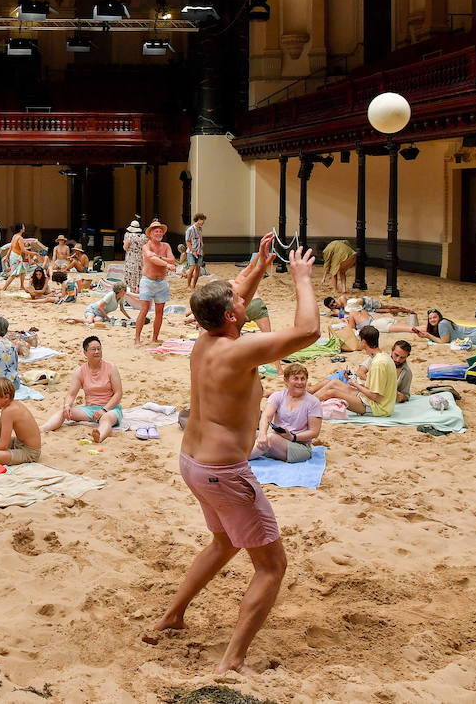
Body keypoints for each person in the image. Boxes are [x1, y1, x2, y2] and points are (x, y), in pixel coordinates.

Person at [144, 234, 318, 676]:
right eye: (238, 302)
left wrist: (260, 264)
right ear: (229, 316)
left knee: (224, 541)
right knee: (272, 566)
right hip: (223, 471)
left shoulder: (206, 341)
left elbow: (237, 291)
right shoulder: (238, 350)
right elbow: (309, 331)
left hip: (192, 463)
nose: (245, 300)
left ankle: (171, 615)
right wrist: (300, 278)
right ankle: (233, 660)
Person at [41, 335, 124, 442]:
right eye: (93, 349)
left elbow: (118, 393)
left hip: (110, 408)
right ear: (85, 353)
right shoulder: (80, 371)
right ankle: (42, 429)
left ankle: (100, 436)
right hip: (90, 410)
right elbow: (71, 394)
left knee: (105, 418)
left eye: (99, 349)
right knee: (64, 412)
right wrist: (67, 406)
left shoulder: (111, 367)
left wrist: (104, 410)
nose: (97, 352)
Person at [310, 325, 398, 416]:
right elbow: (376, 388)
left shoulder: (378, 364)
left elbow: (375, 396)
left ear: (363, 342)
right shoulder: (383, 356)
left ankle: (307, 408)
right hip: (371, 399)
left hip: (377, 407)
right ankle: (307, 402)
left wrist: (354, 384)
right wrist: (354, 381)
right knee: (334, 382)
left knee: (332, 393)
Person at [251, 364, 322, 463]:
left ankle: (241, 460)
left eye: (303, 379)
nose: (300, 382)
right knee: (249, 434)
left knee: (271, 438)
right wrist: (262, 434)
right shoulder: (277, 396)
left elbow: (314, 432)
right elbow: (266, 416)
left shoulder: (313, 402)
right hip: (278, 438)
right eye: (296, 379)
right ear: (286, 381)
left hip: (299, 445)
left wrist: (293, 437)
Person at [135, 221, 177, 345]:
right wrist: (167, 264)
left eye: (160, 231)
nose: (159, 233)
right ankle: (137, 338)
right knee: (144, 309)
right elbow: (150, 258)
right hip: (148, 281)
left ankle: (155, 338)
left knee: (160, 311)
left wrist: (161, 258)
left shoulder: (166, 246)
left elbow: (172, 259)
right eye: (156, 231)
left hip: (161, 282)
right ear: (151, 234)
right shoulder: (146, 246)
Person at [322, 295, 414, 318]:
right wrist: (334, 312)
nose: (335, 304)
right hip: (364, 309)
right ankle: (401, 311)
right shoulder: (337, 309)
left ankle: (405, 310)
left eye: (334, 302)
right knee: (387, 310)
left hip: (366, 302)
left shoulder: (342, 299)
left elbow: (348, 310)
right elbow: (342, 315)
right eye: (332, 305)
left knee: (387, 306)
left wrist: (335, 312)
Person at [1, 224, 31, 291]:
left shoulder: (15, 236)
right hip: (16, 257)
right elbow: (23, 250)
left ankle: (22, 286)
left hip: (14, 255)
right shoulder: (20, 238)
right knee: (13, 273)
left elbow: (11, 247)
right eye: (23, 227)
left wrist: (7, 256)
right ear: (21, 229)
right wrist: (32, 253)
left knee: (23, 271)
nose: (24, 228)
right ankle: (4, 287)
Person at [185, 213, 206, 291]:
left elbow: (200, 240)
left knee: (198, 269)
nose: (203, 222)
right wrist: (193, 251)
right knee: (192, 268)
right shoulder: (190, 229)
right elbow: (187, 241)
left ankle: (193, 285)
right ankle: (188, 285)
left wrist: (201, 249)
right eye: (202, 220)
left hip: (199, 251)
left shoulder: (200, 229)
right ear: (198, 220)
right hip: (191, 252)